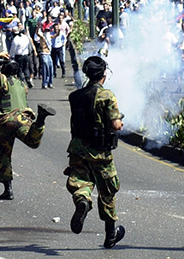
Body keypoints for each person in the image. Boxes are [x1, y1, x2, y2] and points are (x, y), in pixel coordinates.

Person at [66, 56, 125, 249]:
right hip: (100, 151)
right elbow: (116, 125)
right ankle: (110, 235)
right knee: (107, 190)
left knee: (81, 182)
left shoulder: (75, 96)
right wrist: (117, 122)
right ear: (104, 75)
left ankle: (82, 200)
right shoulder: (106, 95)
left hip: (77, 148)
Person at [0, 51, 56, 200]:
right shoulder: (23, 85)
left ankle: (7, 189)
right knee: (33, 142)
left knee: (4, 154)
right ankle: (40, 120)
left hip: (6, 122)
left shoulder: (2, 80)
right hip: (23, 119)